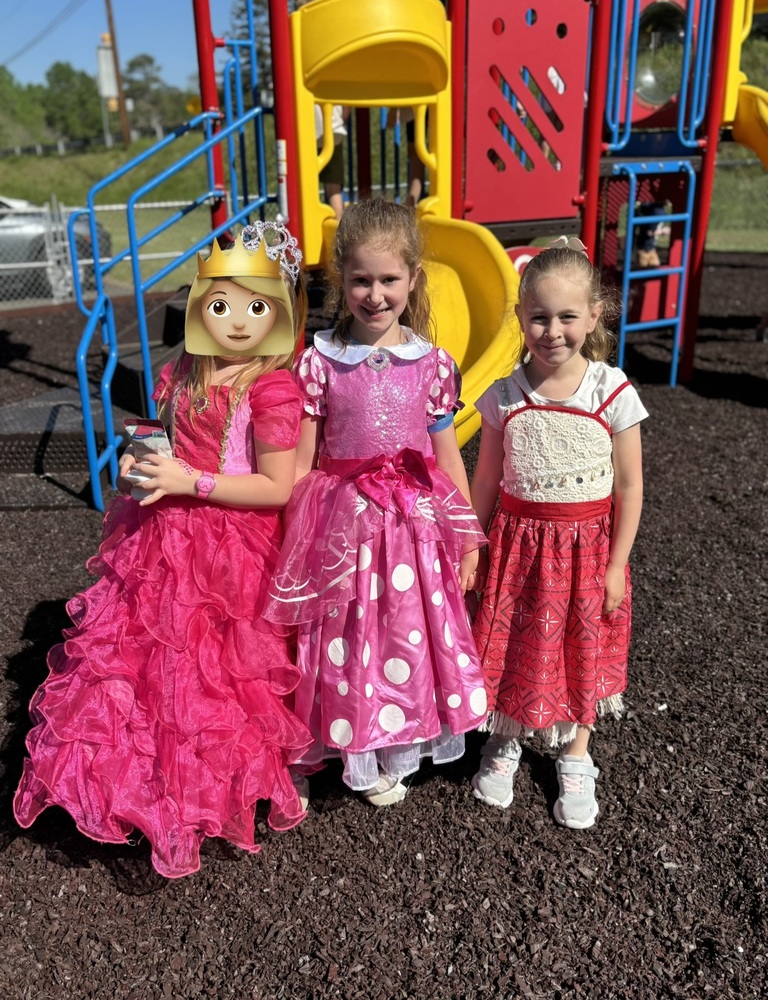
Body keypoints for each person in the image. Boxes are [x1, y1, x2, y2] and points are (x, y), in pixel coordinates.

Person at [14, 223, 314, 878]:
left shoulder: (271, 389)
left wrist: (191, 480)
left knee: (218, 669)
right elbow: (168, 440)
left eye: (256, 306)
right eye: (222, 303)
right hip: (159, 534)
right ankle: (135, 778)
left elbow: (277, 485)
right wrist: (145, 464)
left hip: (232, 548)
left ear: (283, 312)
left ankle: (211, 781)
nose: (237, 320)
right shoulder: (182, 370)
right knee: (144, 658)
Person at [265, 198, 488, 807]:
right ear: (341, 278)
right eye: (361, 279)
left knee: (401, 630)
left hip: (412, 526)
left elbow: (447, 459)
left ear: (413, 278)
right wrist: (295, 535)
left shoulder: (432, 364)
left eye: (389, 279)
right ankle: (333, 738)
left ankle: (390, 742)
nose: (375, 293)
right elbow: (307, 463)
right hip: (344, 525)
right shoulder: (320, 363)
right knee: (342, 632)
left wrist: (465, 537)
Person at [469, 236, 648, 829]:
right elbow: (487, 480)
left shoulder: (611, 391)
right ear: (520, 317)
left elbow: (628, 486)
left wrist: (618, 563)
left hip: (587, 552)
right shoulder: (505, 397)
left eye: (568, 316)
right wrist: (472, 541)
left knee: (581, 647)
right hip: (519, 548)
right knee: (515, 643)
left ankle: (576, 753)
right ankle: (506, 738)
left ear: (593, 316)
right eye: (539, 316)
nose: (552, 330)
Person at [295, 0, 349, 221]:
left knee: (304, 182)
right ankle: (339, 226)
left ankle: (308, 222)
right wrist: (342, 117)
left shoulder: (298, 45)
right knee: (333, 186)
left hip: (307, 126)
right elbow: (346, 94)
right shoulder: (329, 44)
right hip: (332, 124)